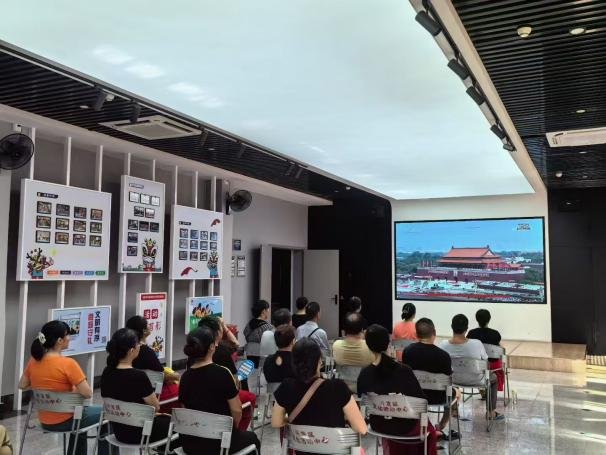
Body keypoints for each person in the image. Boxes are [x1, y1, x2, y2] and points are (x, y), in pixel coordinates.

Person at [18, 321, 108, 455]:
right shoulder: (68, 364)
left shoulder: (33, 361)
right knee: (108, 413)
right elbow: (88, 393)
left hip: (45, 420)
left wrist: (45, 385)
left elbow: (22, 385)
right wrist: (72, 388)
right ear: (60, 340)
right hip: (67, 420)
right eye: (67, 335)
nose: (69, 338)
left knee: (80, 417)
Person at [272, 338, 367, 455]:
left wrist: (291, 420)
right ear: (320, 361)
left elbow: (276, 422)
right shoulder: (338, 387)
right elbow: (362, 429)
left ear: (294, 363)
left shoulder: (286, 387)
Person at [358, 324, 438, 455]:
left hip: (378, 425)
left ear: (368, 345)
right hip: (406, 428)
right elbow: (422, 402)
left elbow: (363, 401)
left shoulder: (364, 374)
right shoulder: (404, 371)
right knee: (428, 427)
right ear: (388, 344)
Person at [179, 326, 261, 454]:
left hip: (190, 443)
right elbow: (237, 410)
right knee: (253, 439)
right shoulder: (223, 374)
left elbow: (184, 408)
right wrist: (232, 430)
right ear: (212, 347)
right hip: (220, 443)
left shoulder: (185, 376)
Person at [101, 328, 178, 450]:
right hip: (142, 433)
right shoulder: (138, 376)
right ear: (131, 350)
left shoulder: (106, 372)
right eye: (138, 344)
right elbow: (156, 407)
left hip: (119, 432)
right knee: (179, 425)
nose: (139, 346)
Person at [196, 316, 256, 431]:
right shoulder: (222, 353)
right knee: (247, 390)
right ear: (218, 333)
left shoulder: (194, 353)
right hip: (222, 399)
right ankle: (240, 430)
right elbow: (234, 383)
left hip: (200, 407)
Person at [439, 314, 503, 421]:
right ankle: (490, 413)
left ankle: (454, 410)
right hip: (477, 379)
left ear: (451, 326)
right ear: (466, 328)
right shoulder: (476, 344)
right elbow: (486, 363)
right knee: (494, 379)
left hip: (453, 380)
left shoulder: (443, 345)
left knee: (450, 375)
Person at [403, 318, 458, 440]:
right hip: (439, 397)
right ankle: (441, 425)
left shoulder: (407, 352)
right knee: (455, 392)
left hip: (415, 395)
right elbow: (448, 382)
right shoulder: (443, 356)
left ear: (417, 334)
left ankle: (419, 425)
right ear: (434, 333)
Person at [126, 315, 179, 409]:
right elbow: (161, 376)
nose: (149, 326)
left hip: (130, 394)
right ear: (143, 331)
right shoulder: (146, 352)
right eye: (147, 324)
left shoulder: (124, 350)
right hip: (150, 396)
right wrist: (176, 376)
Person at [332, 312, 373, 392]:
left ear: (344, 330)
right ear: (362, 329)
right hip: (363, 390)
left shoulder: (336, 345)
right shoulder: (370, 346)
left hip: (342, 389)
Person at [467, 309, 505, 393]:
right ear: (489, 319)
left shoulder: (471, 333)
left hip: (476, 365)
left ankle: (483, 390)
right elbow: (501, 351)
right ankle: (490, 392)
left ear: (477, 319)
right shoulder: (495, 334)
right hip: (493, 367)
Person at [243, 300, 274, 366]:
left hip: (249, 357)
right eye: (268, 309)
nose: (269, 311)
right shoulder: (268, 327)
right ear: (264, 311)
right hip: (263, 360)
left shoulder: (248, 325)